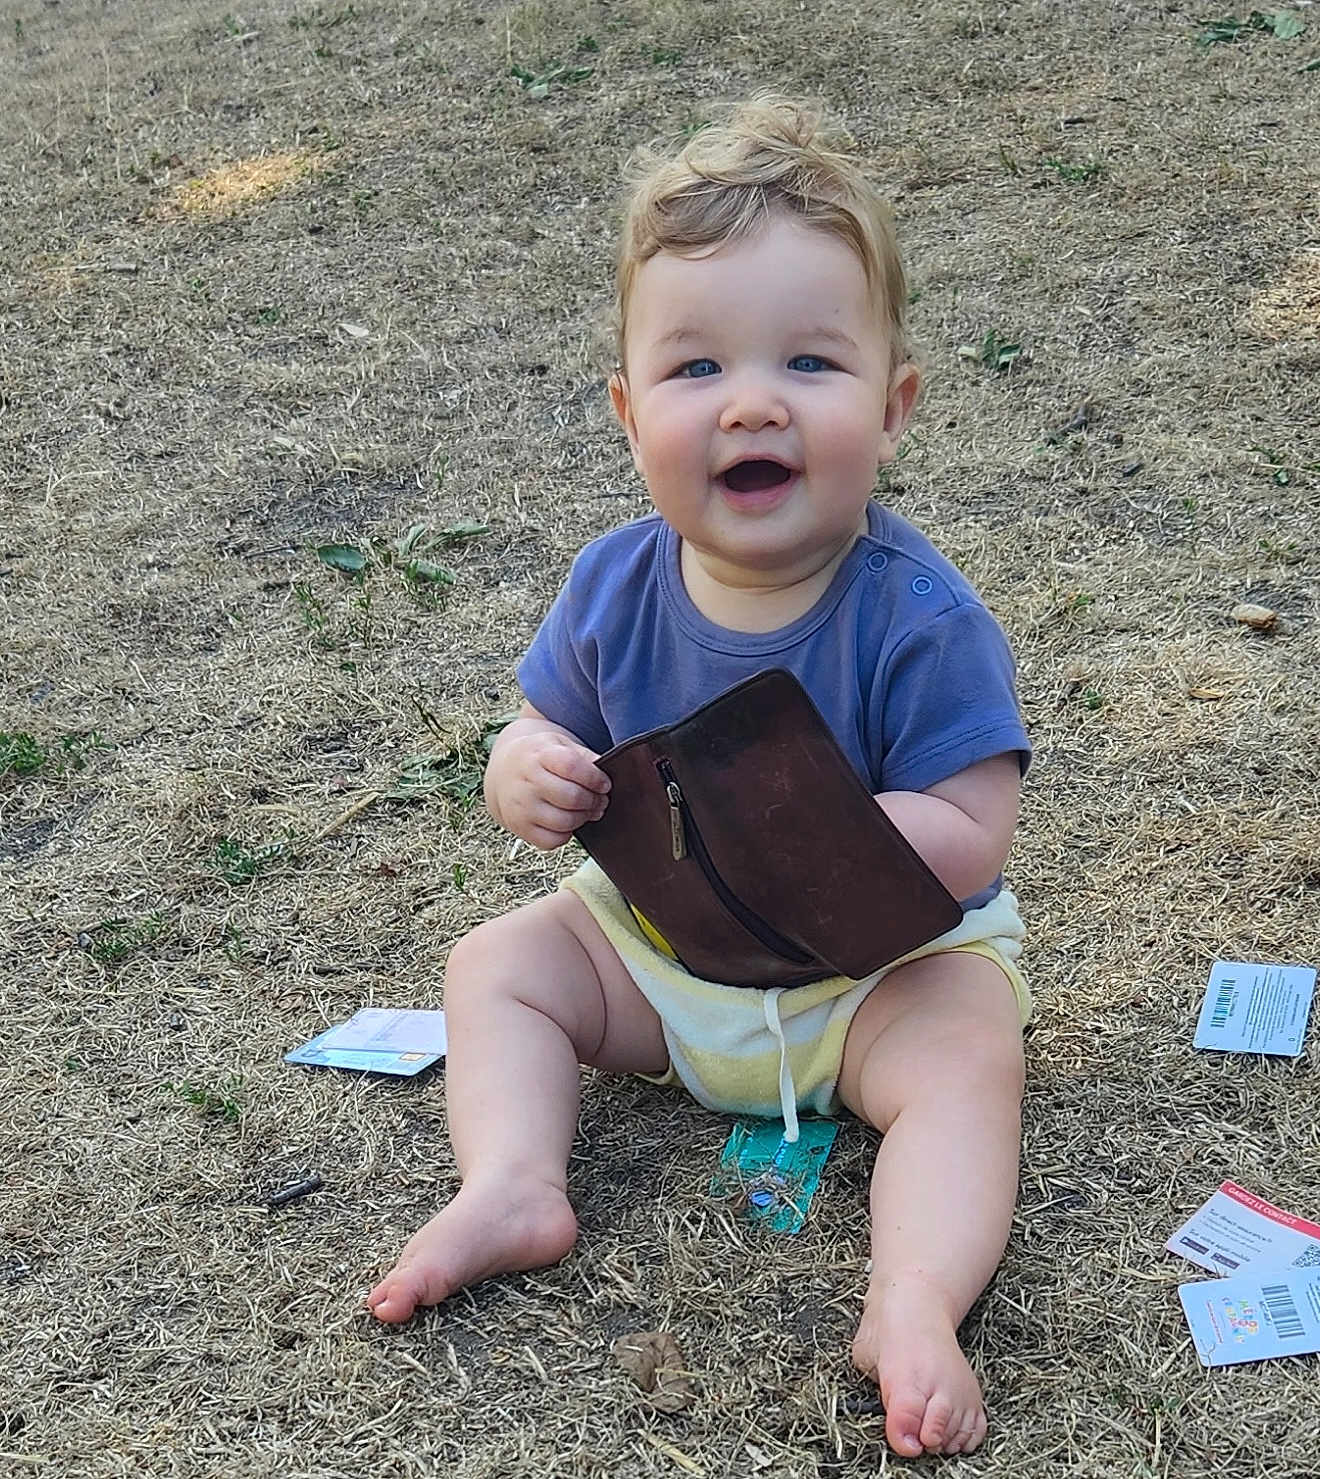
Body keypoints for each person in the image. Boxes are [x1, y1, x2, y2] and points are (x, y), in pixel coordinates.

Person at [368, 96, 1033, 1460]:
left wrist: (831, 830)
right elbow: (530, 728)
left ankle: (912, 1297)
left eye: (809, 360)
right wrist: (525, 777)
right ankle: (510, 1181)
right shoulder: (612, 588)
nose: (750, 401)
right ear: (626, 413)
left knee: (971, 1047)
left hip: (868, 987)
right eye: (693, 370)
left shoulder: (918, 614)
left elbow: (976, 825)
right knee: (498, 962)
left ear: (893, 405)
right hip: (662, 958)